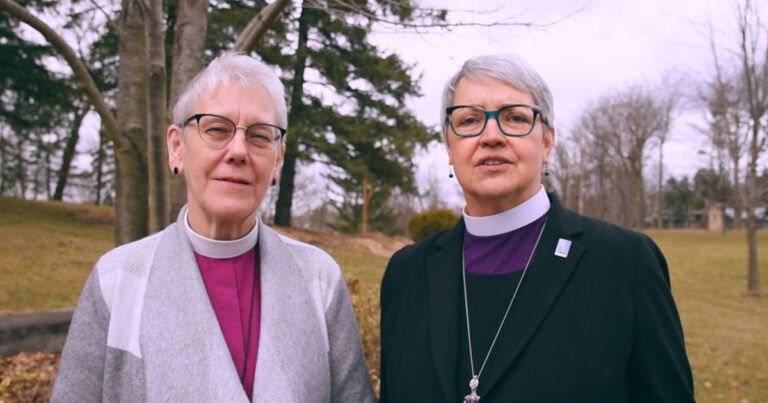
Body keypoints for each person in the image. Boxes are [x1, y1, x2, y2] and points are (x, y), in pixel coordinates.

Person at [52, 53, 374, 402]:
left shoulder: (318, 278)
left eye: (260, 136)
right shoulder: (119, 280)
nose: (238, 151)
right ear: (176, 147)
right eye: (217, 129)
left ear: (278, 159)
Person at [379, 54, 694, 402]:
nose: (491, 135)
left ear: (546, 142)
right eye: (470, 120)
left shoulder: (624, 262)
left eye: (515, 117)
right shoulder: (405, 275)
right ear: (449, 147)